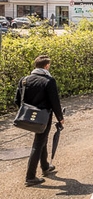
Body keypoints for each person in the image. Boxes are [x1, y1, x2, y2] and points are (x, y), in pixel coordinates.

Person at [15, 55, 65, 187]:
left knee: (42, 139)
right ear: (46, 66)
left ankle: (45, 166)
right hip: (43, 116)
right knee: (38, 143)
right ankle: (30, 176)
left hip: (27, 116)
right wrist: (60, 118)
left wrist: (27, 112)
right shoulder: (49, 80)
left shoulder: (24, 80)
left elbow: (17, 100)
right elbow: (55, 102)